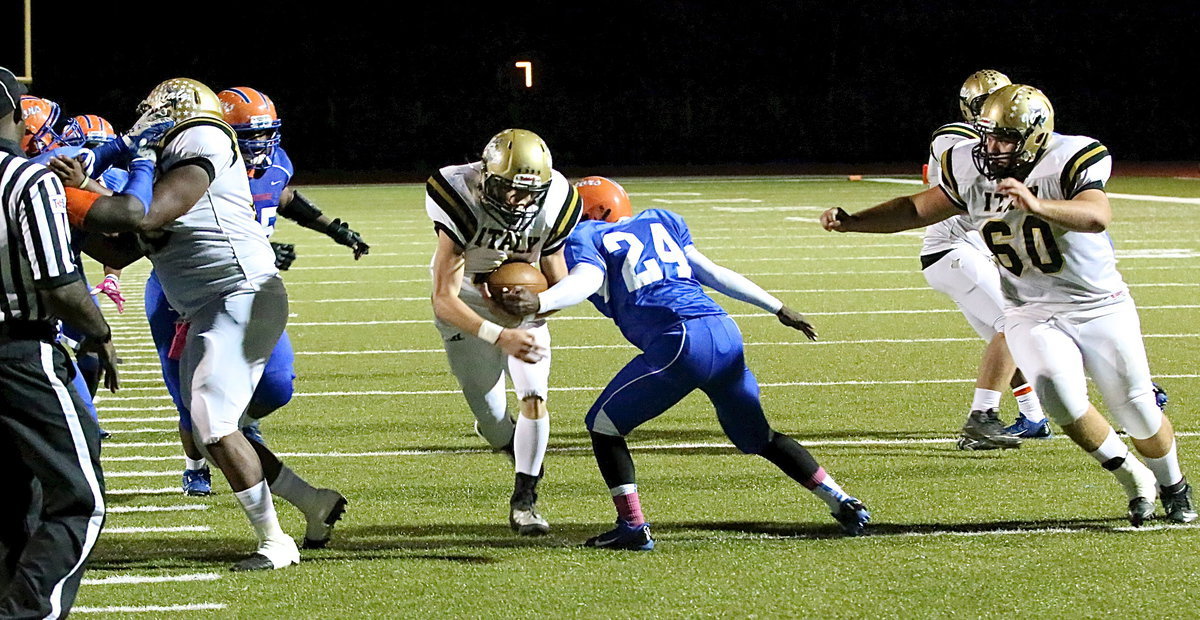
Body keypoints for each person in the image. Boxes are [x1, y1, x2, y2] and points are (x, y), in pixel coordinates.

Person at [820, 84, 1194, 525]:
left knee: (1137, 409)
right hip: (1029, 306)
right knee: (1056, 393)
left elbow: (1097, 216)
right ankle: (1134, 479)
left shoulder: (1072, 156)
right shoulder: (968, 164)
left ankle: (1174, 485)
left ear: (1035, 135)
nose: (991, 148)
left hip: (1098, 304)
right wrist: (854, 222)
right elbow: (918, 209)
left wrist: (1039, 204)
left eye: (1004, 139)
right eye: (987, 136)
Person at [496, 177, 870, 550]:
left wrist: (539, 303)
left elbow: (586, 279)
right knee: (759, 437)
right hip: (724, 333)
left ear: (591, 211)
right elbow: (712, 273)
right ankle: (841, 501)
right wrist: (777, 307)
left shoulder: (588, 236)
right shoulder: (659, 221)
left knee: (603, 425)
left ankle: (632, 525)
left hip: (679, 342)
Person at [62, 77, 337, 569]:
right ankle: (313, 502)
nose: (147, 118)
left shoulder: (204, 137)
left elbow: (144, 217)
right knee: (209, 429)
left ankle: (276, 543)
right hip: (204, 305)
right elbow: (124, 247)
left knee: (213, 422)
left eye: (158, 110)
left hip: (241, 292)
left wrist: (88, 187)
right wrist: (68, 213)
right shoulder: (160, 155)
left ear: (181, 111)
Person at [148, 86, 368, 499]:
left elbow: (281, 195)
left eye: (265, 135)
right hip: (183, 292)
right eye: (248, 136)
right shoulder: (196, 164)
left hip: (244, 284)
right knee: (189, 397)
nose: (259, 146)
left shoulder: (274, 163)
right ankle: (196, 463)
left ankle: (235, 429)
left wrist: (331, 227)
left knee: (277, 384)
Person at [0, 65, 117, 618]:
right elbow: (60, 284)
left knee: (12, 497)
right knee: (80, 500)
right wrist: (100, 334)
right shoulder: (27, 180)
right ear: (15, 114)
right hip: (20, 353)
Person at [425, 128, 582, 535]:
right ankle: (507, 441)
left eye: (527, 192)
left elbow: (557, 277)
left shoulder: (558, 201)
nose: (518, 200)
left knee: (534, 396)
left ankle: (525, 500)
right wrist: (497, 330)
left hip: (523, 310)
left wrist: (537, 303)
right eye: (508, 188)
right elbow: (442, 298)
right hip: (467, 306)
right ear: (486, 175)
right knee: (494, 421)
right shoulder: (458, 193)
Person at [919, 69, 1049, 449]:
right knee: (1015, 324)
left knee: (1005, 336)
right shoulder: (957, 138)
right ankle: (984, 416)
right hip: (952, 249)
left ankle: (1033, 415)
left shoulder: (990, 143)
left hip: (967, 251)